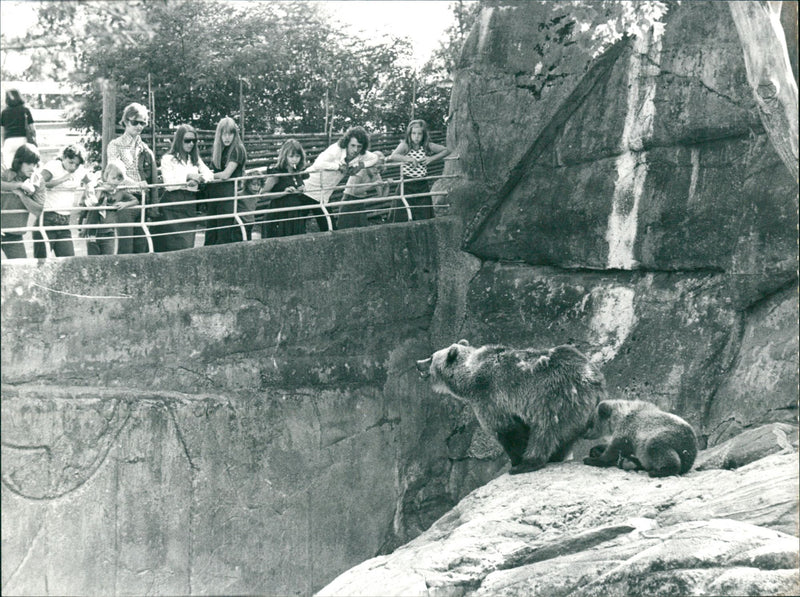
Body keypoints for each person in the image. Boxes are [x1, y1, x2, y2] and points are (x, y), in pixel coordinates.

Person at [304, 126, 379, 229]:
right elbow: (318, 164)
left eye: (359, 146)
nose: (355, 150)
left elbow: (375, 158)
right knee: (296, 223)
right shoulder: (336, 149)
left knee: (330, 228)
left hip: (324, 195)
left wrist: (362, 165)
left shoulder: (361, 155)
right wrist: (338, 167)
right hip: (307, 189)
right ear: (347, 143)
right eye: (352, 145)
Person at [106, 102, 157, 252]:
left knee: (142, 246)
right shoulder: (115, 145)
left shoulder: (145, 148)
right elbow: (115, 175)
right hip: (124, 199)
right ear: (126, 121)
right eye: (135, 122)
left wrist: (152, 204)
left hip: (142, 200)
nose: (139, 127)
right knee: (125, 247)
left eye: (143, 123)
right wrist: (137, 184)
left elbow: (152, 176)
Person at [156, 124, 213, 252]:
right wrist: (188, 176)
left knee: (187, 245)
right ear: (179, 140)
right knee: (170, 245)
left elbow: (209, 174)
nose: (191, 144)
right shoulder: (168, 159)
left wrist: (200, 178)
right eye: (187, 140)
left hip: (189, 203)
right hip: (172, 204)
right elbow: (169, 183)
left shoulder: (194, 159)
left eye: (194, 141)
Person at [31, 144, 88, 258]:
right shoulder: (54, 165)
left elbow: (91, 181)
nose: (73, 167)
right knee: (42, 262)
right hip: (48, 218)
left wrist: (89, 189)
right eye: (71, 162)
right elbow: (38, 184)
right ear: (63, 157)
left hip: (65, 221)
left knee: (68, 261)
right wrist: (62, 179)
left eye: (77, 164)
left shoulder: (80, 170)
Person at [387, 119, 450, 221]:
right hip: (407, 184)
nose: (416, 136)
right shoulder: (405, 145)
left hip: (421, 184)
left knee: (424, 214)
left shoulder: (426, 145)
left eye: (419, 134)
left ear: (423, 135)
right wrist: (408, 159)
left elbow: (446, 150)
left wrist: (431, 159)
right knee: (403, 214)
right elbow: (393, 156)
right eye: (414, 133)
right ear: (409, 133)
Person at [81, 159, 140, 256]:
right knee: (93, 259)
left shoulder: (120, 192)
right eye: (113, 178)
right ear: (106, 176)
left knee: (108, 257)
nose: (116, 182)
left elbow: (135, 200)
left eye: (119, 179)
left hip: (109, 232)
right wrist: (102, 189)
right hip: (93, 232)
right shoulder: (98, 186)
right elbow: (94, 202)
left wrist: (124, 204)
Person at [205, 117, 247, 245]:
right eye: (224, 134)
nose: (227, 137)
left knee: (224, 233)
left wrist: (207, 176)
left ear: (235, 134)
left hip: (228, 194)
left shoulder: (237, 149)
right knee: (211, 231)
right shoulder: (220, 149)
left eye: (230, 133)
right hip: (215, 194)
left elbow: (226, 174)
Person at [260, 139, 315, 237]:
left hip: (295, 215)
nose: (294, 159)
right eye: (291, 156)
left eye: (297, 156)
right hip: (279, 215)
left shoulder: (298, 172)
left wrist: (300, 191)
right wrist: (283, 193)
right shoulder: (277, 173)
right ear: (284, 156)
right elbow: (262, 195)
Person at [1, 143, 44, 258]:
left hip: (13, 234)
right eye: (29, 163)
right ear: (19, 162)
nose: (32, 167)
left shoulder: (37, 180)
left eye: (35, 163)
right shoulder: (6, 174)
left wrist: (21, 194)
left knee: (21, 269)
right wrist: (19, 185)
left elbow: (38, 210)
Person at [337, 150, 389, 229]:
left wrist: (387, 186)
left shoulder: (376, 174)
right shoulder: (360, 170)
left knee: (362, 229)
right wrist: (372, 184)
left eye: (380, 169)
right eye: (376, 167)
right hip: (348, 200)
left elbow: (381, 197)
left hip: (360, 202)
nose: (377, 171)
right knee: (344, 229)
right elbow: (355, 191)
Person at [1, 89, 36, 170]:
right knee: (23, 167)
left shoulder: (4, 112)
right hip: (23, 140)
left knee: (9, 167)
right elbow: (32, 129)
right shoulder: (25, 110)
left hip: (8, 141)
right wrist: (34, 140)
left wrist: (3, 144)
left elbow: (1, 132)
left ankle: (12, 182)